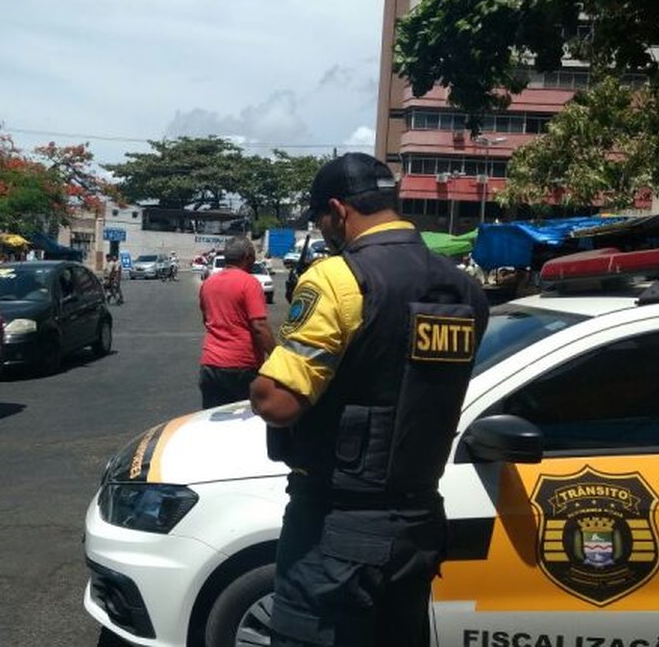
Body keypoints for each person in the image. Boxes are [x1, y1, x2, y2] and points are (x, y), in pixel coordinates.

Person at [249, 153, 490, 647]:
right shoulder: (464, 288)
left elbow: (278, 402)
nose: (325, 229)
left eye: (321, 220)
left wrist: (263, 373)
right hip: (419, 524)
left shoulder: (338, 278)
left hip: (337, 527)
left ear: (337, 211)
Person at [197, 236, 276, 409]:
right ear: (247, 256)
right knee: (246, 422)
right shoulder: (249, 283)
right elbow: (259, 326)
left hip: (210, 365)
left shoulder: (208, 284)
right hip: (242, 366)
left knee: (215, 420)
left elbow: (207, 320)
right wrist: (277, 356)